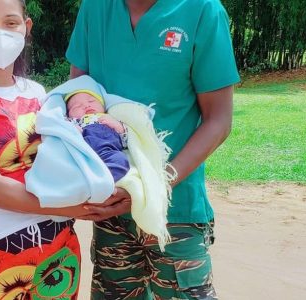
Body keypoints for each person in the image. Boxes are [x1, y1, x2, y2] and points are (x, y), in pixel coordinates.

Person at [0, 0, 130, 299]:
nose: (0, 33)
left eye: (10, 23)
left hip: (57, 255)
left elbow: (70, 159)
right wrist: (74, 209)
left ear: (26, 27)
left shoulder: (37, 93)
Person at [66, 0, 240, 299]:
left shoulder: (202, 11)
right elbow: (78, 100)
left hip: (176, 209)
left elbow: (218, 120)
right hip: (111, 204)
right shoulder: (95, 8)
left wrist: (154, 184)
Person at [65, 90, 130, 182]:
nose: (86, 106)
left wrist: (117, 125)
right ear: (69, 115)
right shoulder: (75, 121)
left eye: (91, 101)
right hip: (83, 153)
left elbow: (125, 142)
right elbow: (61, 127)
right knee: (67, 163)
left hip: (108, 152)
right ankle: (85, 182)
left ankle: (103, 182)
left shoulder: (109, 117)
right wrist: (72, 129)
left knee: (121, 160)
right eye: (77, 106)